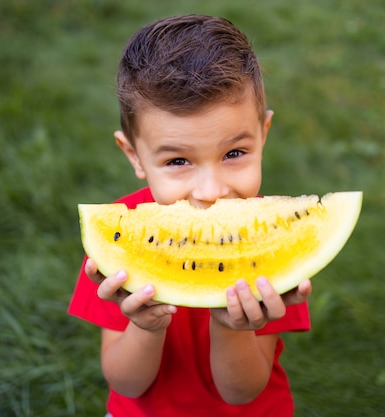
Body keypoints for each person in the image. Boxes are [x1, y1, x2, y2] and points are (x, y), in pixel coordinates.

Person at [68, 14, 312, 417]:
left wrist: (233, 328)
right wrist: (146, 327)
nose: (211, 191)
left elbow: (241, 393)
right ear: (134, 155)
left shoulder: (275, 237)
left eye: (234, 153)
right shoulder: (118, 239)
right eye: (179, 160)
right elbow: (125, 382)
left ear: (263, 134)